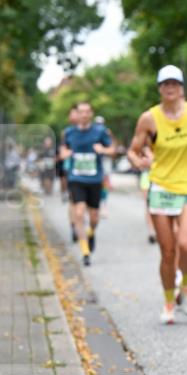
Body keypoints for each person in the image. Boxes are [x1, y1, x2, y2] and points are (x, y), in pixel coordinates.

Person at [126, 65, 187, 325]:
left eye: (175, 83)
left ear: (182, 87)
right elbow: (133, 150)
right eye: (165, 84)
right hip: (161, 188)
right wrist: (138, 161)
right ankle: (168, 301)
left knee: (186, 245)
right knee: (167, 252)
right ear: (159, 89)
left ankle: (186, 287)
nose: (170, 88)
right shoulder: (149, 118)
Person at [60, 102, 114, 267]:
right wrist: (65, 154)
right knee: (79, 212)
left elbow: (112, 149)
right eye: (80, 112)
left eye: (86, 112)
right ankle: (85, 252)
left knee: (94, 217)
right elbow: (62, 151)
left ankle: (91, 232)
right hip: (76, 179)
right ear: (76, 114)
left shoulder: (100, 132)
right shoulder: (69, 133)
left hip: (94, 179)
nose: (83, 115)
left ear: (90, 114)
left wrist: (103, 150)